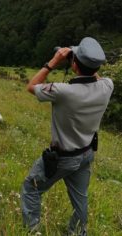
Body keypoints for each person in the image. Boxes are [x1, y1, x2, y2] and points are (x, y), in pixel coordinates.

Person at [21, 37, 114, 235]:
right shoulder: (107, 86)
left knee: (31, 188)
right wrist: (83, 62)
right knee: (80, 199)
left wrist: (53, 62)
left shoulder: (63, 91)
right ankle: (78, 233)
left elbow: (31, 86)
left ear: (74, 65)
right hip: (86, 154)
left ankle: (32, 231)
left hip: (62, 158)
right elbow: (94, 76)